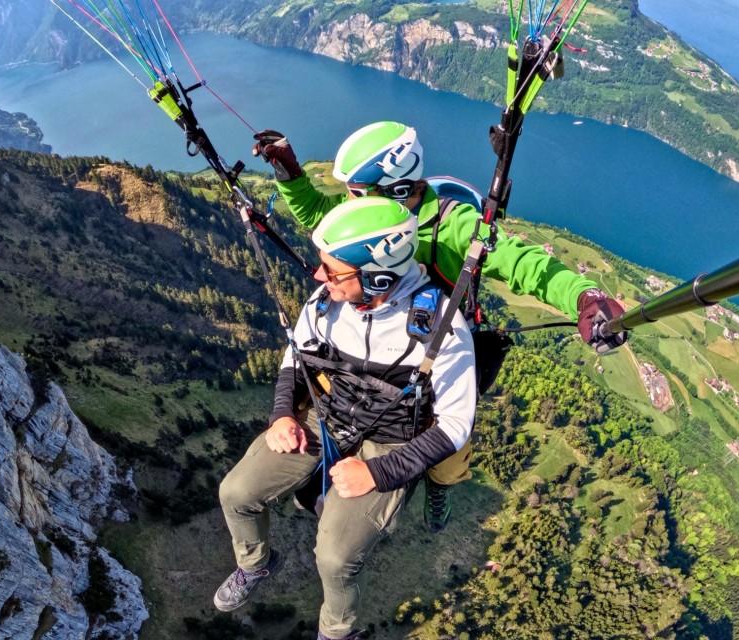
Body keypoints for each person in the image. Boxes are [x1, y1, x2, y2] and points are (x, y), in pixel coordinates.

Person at [252, 121, 626, 532]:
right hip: (372, 344)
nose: (350, 203)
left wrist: (583, 297)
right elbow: (319, 214)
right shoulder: (370, 220)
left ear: (396, 189)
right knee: (322, 396)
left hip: (436, 352)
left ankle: (440, 487)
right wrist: (289, 173)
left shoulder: (454, 228)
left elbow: (522, 263)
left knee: (447, 444)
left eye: (357, 193)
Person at [214, 196, 477, 640]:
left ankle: (338, 633)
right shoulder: (326, 303)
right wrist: (282, 415)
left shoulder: (442, 330)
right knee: (236, 493)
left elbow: (454, 426)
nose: (319, 277)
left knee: (335, 559)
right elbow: (295, 359)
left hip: (391, 444)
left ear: (377, 277)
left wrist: (378, 472)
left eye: (333, 271)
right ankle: (255, 563)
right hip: (328, 417)